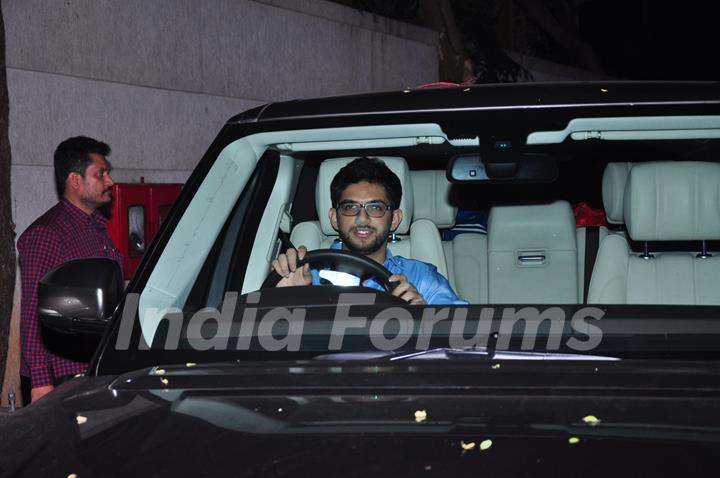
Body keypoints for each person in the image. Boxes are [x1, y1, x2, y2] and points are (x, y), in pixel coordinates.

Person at [272, 157, 465, 305]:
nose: (362, 219)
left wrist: (423, 317)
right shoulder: (304, 273)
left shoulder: (421, 278)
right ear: (334, 218)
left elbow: (467, 338)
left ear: (395, 219)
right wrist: (282, 299)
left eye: (375, 208)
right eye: (350, 207)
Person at [17, 136, 123, 402]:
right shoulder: (47, 234)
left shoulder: (96, 228)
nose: (109, 181)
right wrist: (41, 382)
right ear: (75, 180)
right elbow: (32, 311)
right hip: (63, 379)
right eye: (101, 174)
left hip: (97, 368)